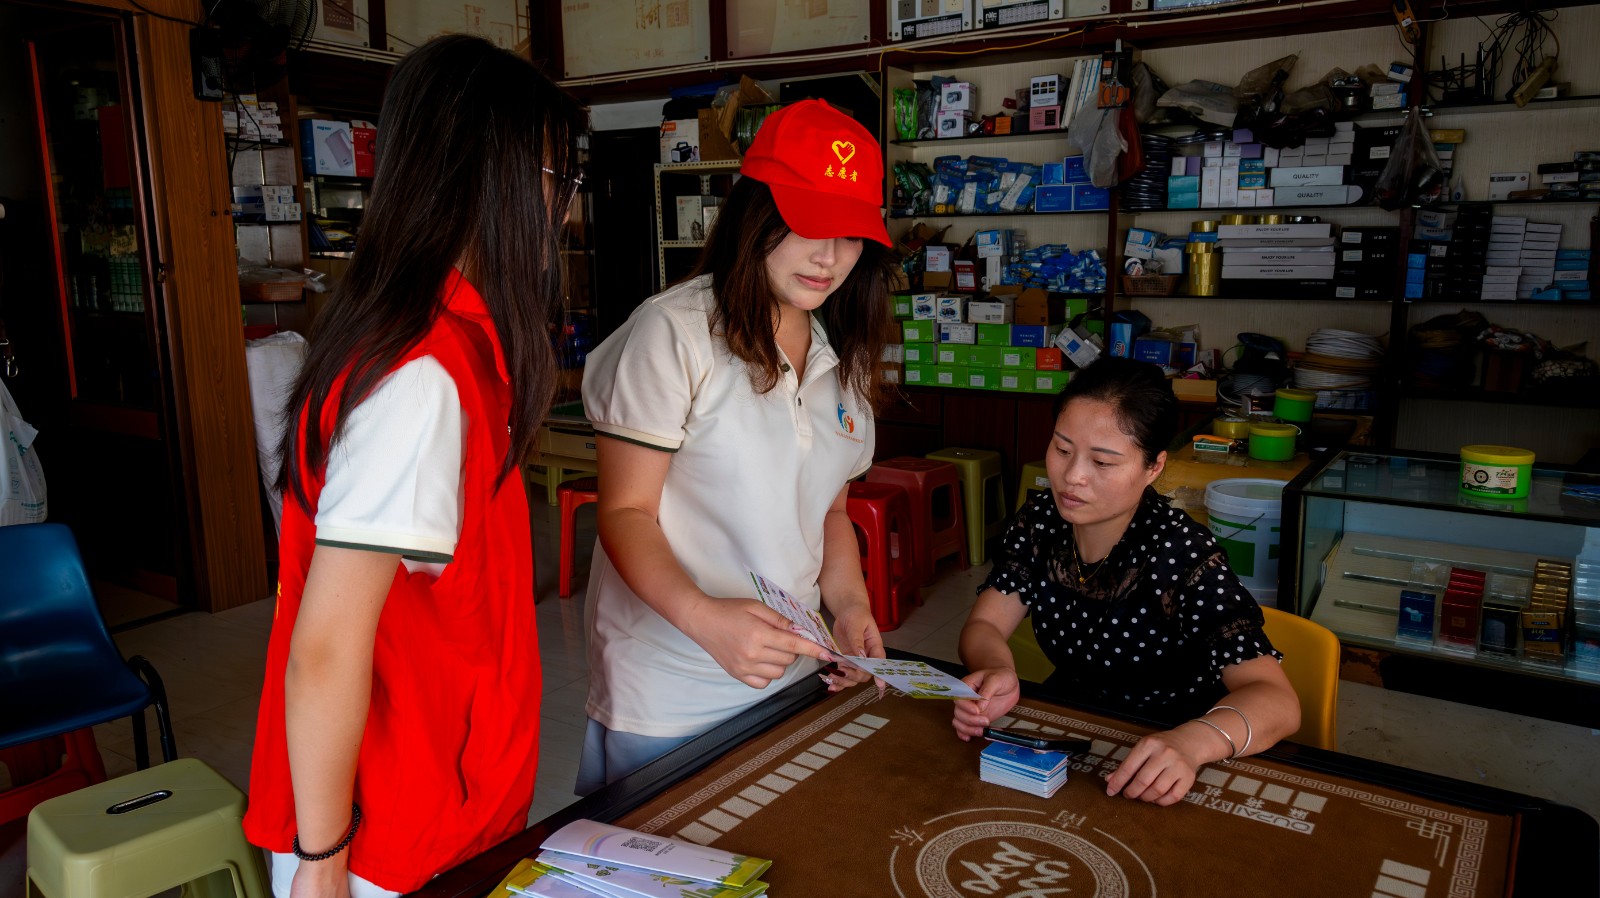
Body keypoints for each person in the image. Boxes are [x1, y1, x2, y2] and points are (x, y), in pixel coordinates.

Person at [242, 36, 587, 898]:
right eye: (559, 179)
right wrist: (322, 863)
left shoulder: (448, 342)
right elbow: (326, 648)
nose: (565, 208)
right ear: (488, 177)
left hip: (440, 797)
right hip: (388, 835)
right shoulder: (418, 378)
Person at [577, 99, 898, 794]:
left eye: (850, 234)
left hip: (793, 667)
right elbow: (626, 513)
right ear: (755, 213)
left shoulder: (842, 356)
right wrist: (705, 620)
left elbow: (829, 512)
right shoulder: (675, 333)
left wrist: (849, 607)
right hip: (670, 685)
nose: (829, 256)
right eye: (808, 223)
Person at [951, 357, 1300, 807]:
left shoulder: (1181, 554)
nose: (1072, 477)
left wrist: (1194, 743)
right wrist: (997, 668)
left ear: (1153, 467)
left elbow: (1278, 700)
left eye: (1102, 461)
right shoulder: (1043, 521)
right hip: (1077, 726)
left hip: (1173, 751)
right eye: (1062, 449)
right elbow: (985, 625)